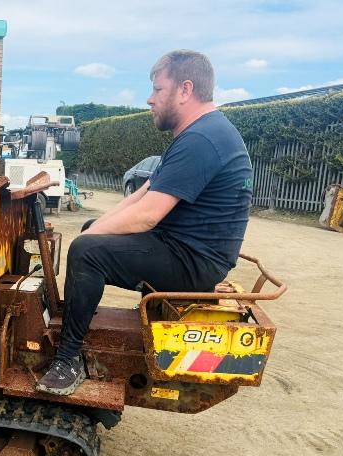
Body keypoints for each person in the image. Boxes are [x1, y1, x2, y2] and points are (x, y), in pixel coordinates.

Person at [36, 49, 253, 396]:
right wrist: (95, 227)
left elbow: (148, 215)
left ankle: (68, 358)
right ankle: (78, 314)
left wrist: (86, 242)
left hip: (193, 262)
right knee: (91, 233)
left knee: (87, 252)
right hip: (182, 247)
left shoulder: (202, 139)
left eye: (158, 89)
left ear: (185, 89)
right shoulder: (198, 133)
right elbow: (140, 196)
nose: (150, 99)